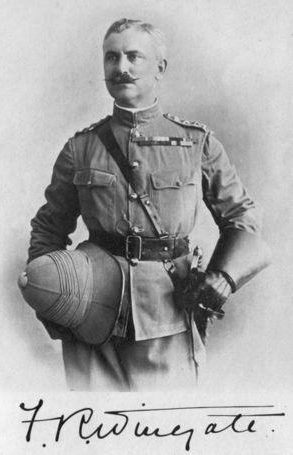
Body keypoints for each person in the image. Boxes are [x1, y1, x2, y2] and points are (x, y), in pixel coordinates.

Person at [22, 18, 270, 391]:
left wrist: (223, 277)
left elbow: (242, 219)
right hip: (90, 316)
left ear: (160, 68)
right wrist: (51, 297)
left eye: (133, 56)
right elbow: (48, 229)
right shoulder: (81, 148)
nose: (121, 68)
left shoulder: (195, 143)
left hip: (166, 316)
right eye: (111, 58)